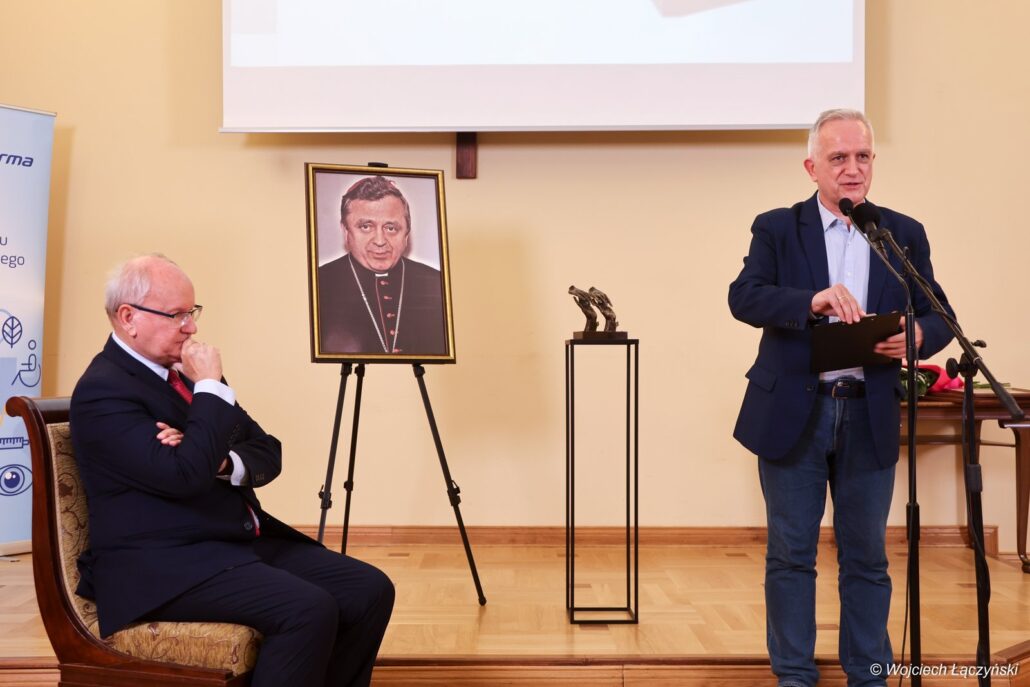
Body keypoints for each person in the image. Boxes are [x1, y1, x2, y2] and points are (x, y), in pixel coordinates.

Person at [70, 254, 394, 687]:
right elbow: (184, 476)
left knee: (369, 588)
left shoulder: (186, 376)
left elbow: (266, 451)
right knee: (306, 608)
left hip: (229, 544)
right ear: (128, 317)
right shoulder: (103, 390)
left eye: (192, 312)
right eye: (177, 315)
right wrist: (207, 391)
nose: (191, 327)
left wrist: (219, 460)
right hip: (163, 566)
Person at [727, 109, 954, 687]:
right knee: (790, 554)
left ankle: (869, 674)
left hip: (868, 411)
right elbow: (744, 297)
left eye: (863, 157)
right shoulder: (778, 227)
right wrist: (811, 302)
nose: (853, 169)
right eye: (838, 158)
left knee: (867, 558)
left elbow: (939, 314)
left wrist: (919, 335)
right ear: (812, 167)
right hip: (795, 412)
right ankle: (794, 676)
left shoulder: (901, 232)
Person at [317, 176, 447, 356]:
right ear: (346, 232)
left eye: (391, 228)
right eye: (366, 227)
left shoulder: (436, 284)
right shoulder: (319, 283)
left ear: (406, 235)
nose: (380, 241)